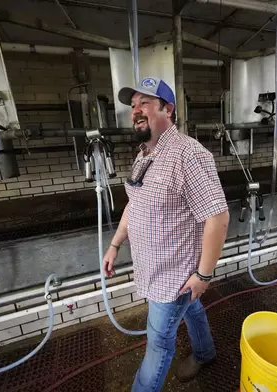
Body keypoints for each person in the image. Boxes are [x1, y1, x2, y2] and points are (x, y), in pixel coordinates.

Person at [102, 76, 230, 392]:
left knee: (158, 344)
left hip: (175, 278)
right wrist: (116, 243)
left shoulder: (188, 154)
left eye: (144, 103)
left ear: (168, 109)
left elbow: (218, 217)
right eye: (133, 106)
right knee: (194, 308)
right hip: (153, 268)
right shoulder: (145, 153)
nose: (136, 111)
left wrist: (203, 275)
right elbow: (135, 202)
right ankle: (206, 353)